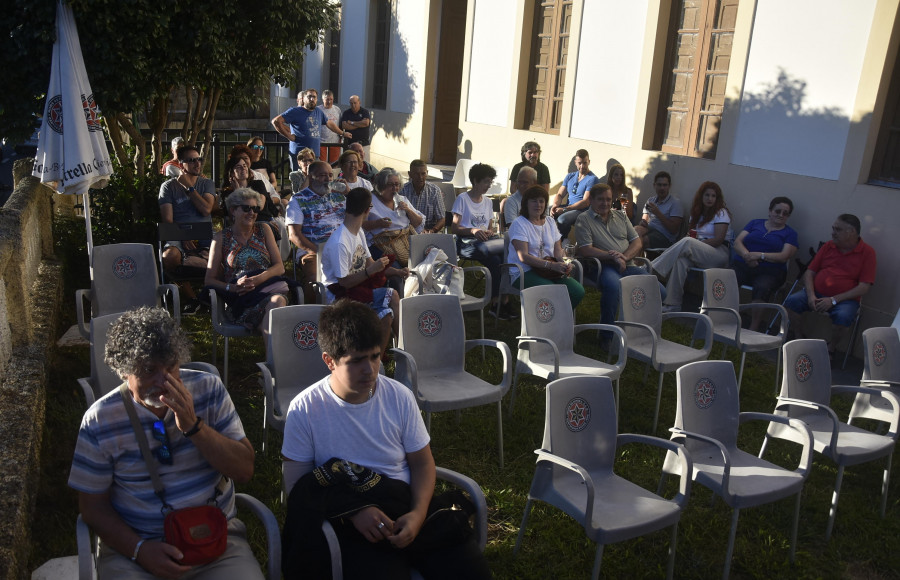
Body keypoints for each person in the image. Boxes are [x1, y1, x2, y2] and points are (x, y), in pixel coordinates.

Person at [281, 299, 491, 580]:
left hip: (405, 507)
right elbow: (297, 487)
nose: (369, 369)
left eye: (375, 356)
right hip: (353, 523)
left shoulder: (399, 396)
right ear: (329, 360)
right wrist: (356, 512)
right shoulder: (305, 409)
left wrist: (417, 515)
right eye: (356, 361)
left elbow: (422, 463)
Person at [68, 306, 261, 579]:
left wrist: (194, 427)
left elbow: (244, 471)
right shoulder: (100, 420)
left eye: (171, 366)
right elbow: (92, 507)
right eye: (149, 370)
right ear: (124, 371)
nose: (163, 381)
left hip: (215, 540)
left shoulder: (209, 389)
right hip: (136, 550)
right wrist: (140, 550)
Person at [321, 187, 405, 355]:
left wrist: (397, 272)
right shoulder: (340, 242)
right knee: (388, 308)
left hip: (357, 288)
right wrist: (370, 271)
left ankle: (398, 350)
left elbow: (371, 265)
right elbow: (343, 282)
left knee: (391, 304)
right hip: (339, 297)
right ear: (368, 210)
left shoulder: (358, 232)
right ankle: (383, 358)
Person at [784, 213, 876, 355]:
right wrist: (811, 295)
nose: (832, 233)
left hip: (844, 300)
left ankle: (830, 348)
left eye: (837, 230)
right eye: (833, 228)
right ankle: (798, 337)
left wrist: (833, 300)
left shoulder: (867, 253)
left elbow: (864, 287)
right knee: (791, 302)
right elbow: (809, 272)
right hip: (816, 294)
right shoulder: (829, 246)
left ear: (851, 232)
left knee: (844, 318)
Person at [205, 188, 288, 342]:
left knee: (276, 302)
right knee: (273, 315)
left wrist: (258, 279)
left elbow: (279, 267)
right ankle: (277, 363)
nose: (252, 213)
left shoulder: (264, 230)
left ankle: (274, 363)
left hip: (267, 290)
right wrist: (232, 287)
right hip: (241, 301)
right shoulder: (221, 238)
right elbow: (209, 280)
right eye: (246, 208)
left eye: (255, 209)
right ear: (233, 211)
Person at [576, 183, 664, 326]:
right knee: (614, 287)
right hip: (602, 267)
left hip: (627, 264)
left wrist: (625, 257)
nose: (605, 203)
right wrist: (613, 257)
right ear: (591, 200)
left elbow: (637, 242)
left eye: (608, 199)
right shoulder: (584, 219)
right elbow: (586, 249)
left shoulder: (620, 216)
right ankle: (607, 335)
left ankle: (638, 326)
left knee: (659, 290)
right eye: (600, 199)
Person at [651, 181, 733, 312]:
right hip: (698, 251)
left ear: (717, 198)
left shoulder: (721, 213)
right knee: (681, 261)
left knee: (688, 242)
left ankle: (651, 269)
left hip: (718, 253)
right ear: (701, 196)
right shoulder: (696, 213)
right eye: (707, 195)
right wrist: (692, 242)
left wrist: (695, 244)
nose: (710, 199)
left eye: (713, 196)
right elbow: (691, 234)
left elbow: (719, 239)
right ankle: (673, 304)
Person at [159, 145, 216, 314]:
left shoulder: (206, 184)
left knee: (226, 252)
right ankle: (192, 299)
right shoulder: (168, 187)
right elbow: (168, 220)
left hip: (205, 235)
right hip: (179, 234)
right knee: (169, 257)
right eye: (191, 160)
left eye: (198, 159)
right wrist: (183, 236)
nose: (197, 164)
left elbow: (206, 209)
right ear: (180, 164)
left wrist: (189, 188)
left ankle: (207, 296)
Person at [507, 186, 584, 309]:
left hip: (549, 270)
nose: (538, 204)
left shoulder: (550, 221)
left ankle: (559, 319)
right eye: (534, 201)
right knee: (552, 291)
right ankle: (548, 323)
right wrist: (552, 265)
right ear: (526, 203)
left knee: (577, 291)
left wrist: (563, 263)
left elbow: (558, 249)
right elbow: (523, 257)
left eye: (542, 201)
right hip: (525, 271)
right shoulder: (519, 224)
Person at [451, 163, 509, 318]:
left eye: (490, 182)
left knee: (503, 257)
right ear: (475, 181)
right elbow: (454, 228)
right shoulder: (462, 199)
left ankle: (501, 301)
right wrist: (473, 230)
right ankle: (497, 303)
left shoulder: (488, 202)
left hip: (485, 243)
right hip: (465, 244)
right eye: (486, 182)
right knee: (497, 258)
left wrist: (488, 232)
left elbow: (488, 227)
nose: (489, 186)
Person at [733, 197, 799, 331]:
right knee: (727, 278)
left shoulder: (790, 233)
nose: (781, 215)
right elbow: (737, 242)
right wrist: (748, 256)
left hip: (771, 271)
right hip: (744, 264)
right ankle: (724, 316)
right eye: (778, 211)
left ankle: (753, 327)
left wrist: (759, 255)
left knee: (762, 287)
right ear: (770, 211)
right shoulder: (754, 223)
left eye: (785, 213)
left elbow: (784, 256)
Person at [285, 161, 347, 296]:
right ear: (310, 177)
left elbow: (361, 214)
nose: (328, 179)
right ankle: (311, 312)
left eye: (330, 175)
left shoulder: (339, 196)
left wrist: (349, 193)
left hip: (341, 247)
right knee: (315, 280)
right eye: (322, 175)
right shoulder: (298, 200)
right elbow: (294, 235)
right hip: (313, 249)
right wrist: (318, 251)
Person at [272, 88, 351, 171]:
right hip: (300, 155)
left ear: (317, 99)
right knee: (299, 180)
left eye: (314, 97)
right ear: (304, 98)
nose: (312, 99)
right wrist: (289, 136)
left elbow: (329, 123)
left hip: (314, 155)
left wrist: (342, 133)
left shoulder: (318, 111)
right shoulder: (295, 111)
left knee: (315, 180)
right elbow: (276, 121)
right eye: (309, 96)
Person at [550, 149, 599, 239]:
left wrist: (564, 209)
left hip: (582, 211)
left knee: (562, 220)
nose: (582, 166)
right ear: (575, 162)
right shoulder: (570, 176)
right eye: (580, 163)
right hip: (568, 206)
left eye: (585, 163)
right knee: (546, 210)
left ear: (589, 162)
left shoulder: (592, 179)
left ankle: (563, 241)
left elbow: (585, 202)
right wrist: (555, 206)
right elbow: (560, 194)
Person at [220, 155, 280, 224]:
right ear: (232, 173)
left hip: (262, 222)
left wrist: (239, 191)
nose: (243, 168)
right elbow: (232, 217)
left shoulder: (258, 184)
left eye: (244, 166)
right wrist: (237, 192)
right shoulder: (228, 192)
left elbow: (259, 206)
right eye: (238, 167)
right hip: (241, 226)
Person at [634, 171, 683, 250]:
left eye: (665, 185)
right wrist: (643, 223)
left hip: (665, 236)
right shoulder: (651, 200)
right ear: (654, 185)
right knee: (634, 231)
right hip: (649, 229)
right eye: (659, 185)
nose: (662, 188)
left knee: (643, 240)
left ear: (669, 186)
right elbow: (644, 220)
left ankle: (635, 261)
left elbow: (673, 230)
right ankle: (635, 261)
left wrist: (658, 213)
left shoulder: (675, 203)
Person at [400, 159, 446, 233]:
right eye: (416, 174)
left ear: (427, 173)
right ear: (410, 174)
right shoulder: (402, 190)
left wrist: (432, 231)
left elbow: (442, 219)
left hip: (429, 232)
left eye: (423, 174)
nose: (420, 177)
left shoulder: (434, 191)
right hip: (408, 232)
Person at [340, 95, 372, 161]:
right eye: (351, 103)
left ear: (359, 102)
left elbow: (366, 123)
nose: (353, 105)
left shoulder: (365, 112)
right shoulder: (346, 113)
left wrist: (351, 123)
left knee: (364, 165)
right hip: (350, 144)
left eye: (355, 103)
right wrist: (359, 124)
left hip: (364, 144)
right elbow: (344, 126)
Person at [317, 89, 343, 163]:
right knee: (322, 164)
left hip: (335, 141)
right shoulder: (318, 110)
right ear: (322, 99)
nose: (329, 101)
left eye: (331, 99)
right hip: (321, 142)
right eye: (327, 99)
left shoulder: (337, 110)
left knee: (334, 164)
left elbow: (340, 124)